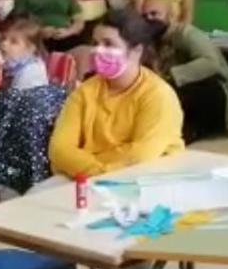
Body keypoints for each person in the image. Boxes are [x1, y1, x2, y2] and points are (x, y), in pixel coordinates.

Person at [47, 11, 185, 180]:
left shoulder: (158, 95)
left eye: (108, 44)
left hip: (147, 178)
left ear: (136, 51)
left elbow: (141, 155)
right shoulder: (84, 92)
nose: (98, 50)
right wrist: (98, 172)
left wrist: (89, 166)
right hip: (86, 176)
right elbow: (59, 149)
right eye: (95, 43)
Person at [0, 19, 67, 194]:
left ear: (32, 48)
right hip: (13, 123)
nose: (4, 44)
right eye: (4, 39)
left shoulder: (30, 74)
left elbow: (12, 109)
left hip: (19, 135)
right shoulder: (21, 66)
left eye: (14, 42)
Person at [141, 0, 228, 142]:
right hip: (182, 91)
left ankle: (191, 129)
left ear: (170, 15)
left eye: (154, 14)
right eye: (145, 15)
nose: (149, 19)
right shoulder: (150, 39)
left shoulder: (188, 34)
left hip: (220, 97)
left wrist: (170, 75)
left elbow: (210, 64)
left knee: (191, 89)